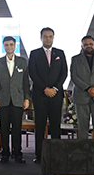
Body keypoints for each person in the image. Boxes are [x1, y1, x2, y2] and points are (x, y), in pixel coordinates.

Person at [28, 27, 68, 164]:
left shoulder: (60, 53)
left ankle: (56, 155)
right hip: (40, 95)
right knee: (40, 125)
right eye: (45, 36)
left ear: (53, 38)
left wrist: (55, 88)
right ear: (41, 38)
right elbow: (33, 73)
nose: (48, 39)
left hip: (56, 95)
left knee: (55, 125)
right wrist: (45, 88)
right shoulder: (34, 53)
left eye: (50, 36)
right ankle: (40, 155)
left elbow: (64, 73)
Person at [0, 36, 31, 163]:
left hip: (18, 99)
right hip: (3, 99)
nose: (9, 47)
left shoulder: (22, 61)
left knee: (17, 129)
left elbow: (26, 82)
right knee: (3, 129)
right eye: (6, 45)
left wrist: (27, 98)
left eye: (11, 44)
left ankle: (17, 153)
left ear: (15, 46)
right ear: (4, 46)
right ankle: (5, 153)